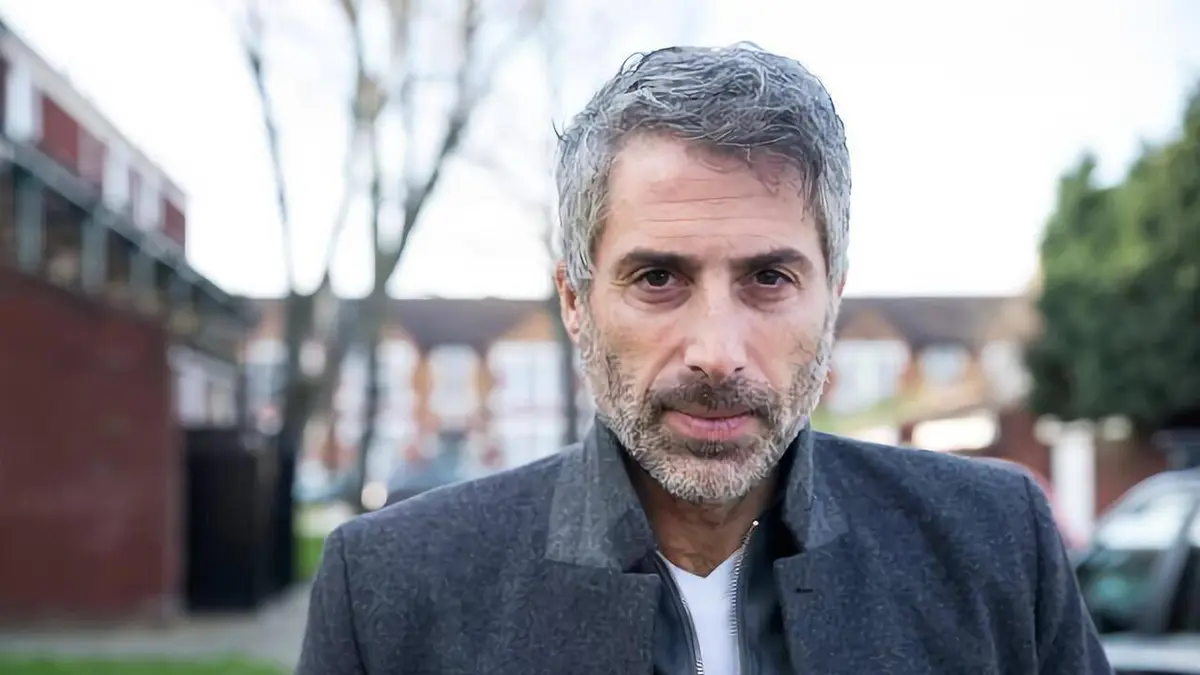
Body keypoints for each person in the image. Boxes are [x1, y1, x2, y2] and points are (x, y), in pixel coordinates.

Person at [297, 44, 1112, 674]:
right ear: (575, 299)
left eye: (769, 278)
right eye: (658, 278)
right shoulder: (392, 588)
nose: (717, 354)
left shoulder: (994, 545)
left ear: (833, 296)